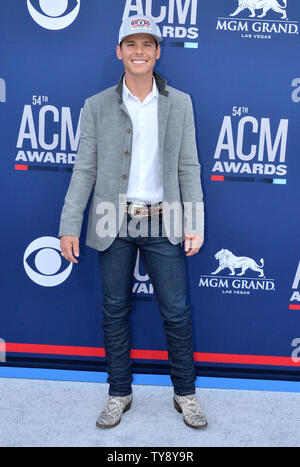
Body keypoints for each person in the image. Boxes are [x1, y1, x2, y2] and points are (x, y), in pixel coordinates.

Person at [59, 15, 207, 429]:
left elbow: (189, 166)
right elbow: (84, 170)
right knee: (114, 310)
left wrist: (193, 220)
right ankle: (119, 393)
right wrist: (69, 225)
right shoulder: (96, 106)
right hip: (112, 221)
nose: (139, 51)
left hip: (165, 220)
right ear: (119, 51)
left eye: (147, 44)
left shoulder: (180, 103)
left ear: (158, 52)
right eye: (131, 44)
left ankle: (186, 395)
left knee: (176, 312)